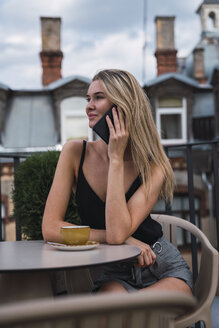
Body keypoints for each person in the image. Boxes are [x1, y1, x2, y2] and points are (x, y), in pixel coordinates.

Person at [42, 69, 193, 294]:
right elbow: (51, 228)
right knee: (116, 311)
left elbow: (117, 232)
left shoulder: (155, 165)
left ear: (123, 105)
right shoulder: (75, 152)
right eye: (88, 98)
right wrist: (127, 242)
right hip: (115, 272)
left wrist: (116, 158)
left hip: (162, 264)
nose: (89, 106)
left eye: (99, 97)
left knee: (141, 312)